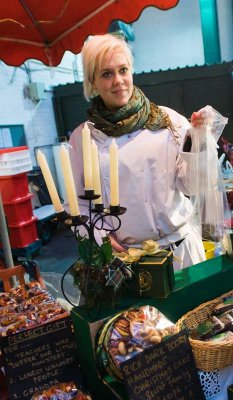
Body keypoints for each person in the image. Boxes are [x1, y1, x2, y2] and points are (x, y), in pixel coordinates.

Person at [68, 34, 223, 270]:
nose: (118, 81)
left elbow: (193, 185)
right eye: (106, 74)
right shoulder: (83, 138)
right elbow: (77, 203)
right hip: (128, 261)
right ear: (92, 82)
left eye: (123, 70)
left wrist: (199, 141)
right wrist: (98, 236)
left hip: (182, 252)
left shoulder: (167, 120)